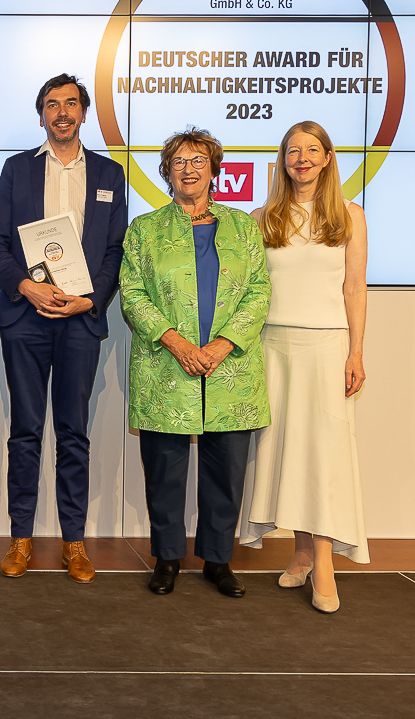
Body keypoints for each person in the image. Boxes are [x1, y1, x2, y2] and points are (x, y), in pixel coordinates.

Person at [119, 128, 271, 598]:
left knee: (226, 472)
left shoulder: (244, 227)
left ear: (214, 169)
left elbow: (259, 291)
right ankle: (167, 558)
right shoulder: (144, 230)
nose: (189, 168)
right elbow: (132, 292)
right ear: (167, 171)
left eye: (198, 160)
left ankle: (218, 561)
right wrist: (176, 343)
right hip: (166, 366)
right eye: (179, 161)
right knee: (164, 471)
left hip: (230, 370)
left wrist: (223, 344)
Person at [0, 74, 127, 582]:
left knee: (74, 435)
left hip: (79, 322)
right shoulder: (16, 170)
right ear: (41, 114)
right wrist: (26, 286)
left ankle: (74, 542)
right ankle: (20, 539)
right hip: (25, 318)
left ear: (84, 113)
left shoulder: (111, 175)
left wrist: (88, 301)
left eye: (71, 103)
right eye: (52, 104)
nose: (61, 112)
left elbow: (115, 253)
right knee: (24, 433)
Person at [238, 121, 369, 614]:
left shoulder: (350, 216)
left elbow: (354, 290)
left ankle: (324, 563)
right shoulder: (262, 217)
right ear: (283, 160)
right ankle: (299, 552)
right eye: (294, 151)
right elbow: (250, 293)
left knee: (321, 455)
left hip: (327, 348)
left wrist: (356, 352)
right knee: (283, 452)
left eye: (312, 150)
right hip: (272, 345)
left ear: (328, 157)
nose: (302, 158)